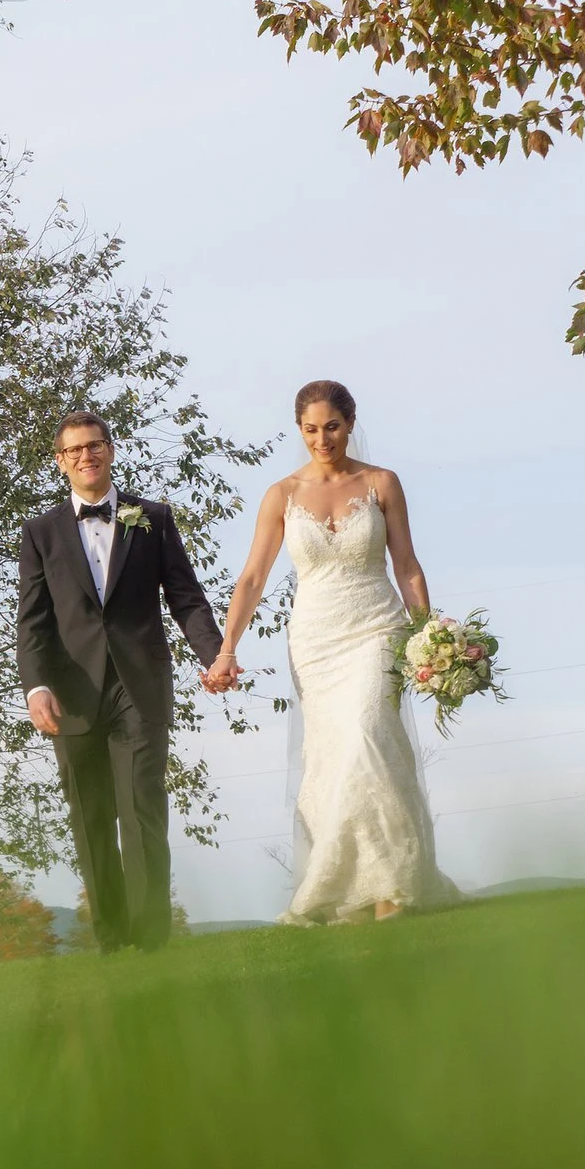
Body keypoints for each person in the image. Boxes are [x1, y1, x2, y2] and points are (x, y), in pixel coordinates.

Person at [205, 379, 459, 924]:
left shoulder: (381, 483)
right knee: (333, 757)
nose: (323, 439)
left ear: (350, 422)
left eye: (333, 427)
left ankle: (394, 886)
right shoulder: (281, 495)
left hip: (376, 627)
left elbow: (407, 565)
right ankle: (351, 887)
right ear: (299, 430)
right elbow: (252, 577)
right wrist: (227, 648)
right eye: (312, 429)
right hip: (315, 641)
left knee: (369, 736)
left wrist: (430, 641)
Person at [16, 410, 228, 952]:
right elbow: (33, 619)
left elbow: (185, 595)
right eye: (75, 450)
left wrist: (214, 653)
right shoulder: (40, 533)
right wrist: (36, 687)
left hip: (140, 688)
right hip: (71, 697)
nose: (87, 456)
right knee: (90, 822)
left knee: (141, 813)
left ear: (110, 450)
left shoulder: (151, 518)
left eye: (96, 445)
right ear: (61, 461)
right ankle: (112, 943)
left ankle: (151, 941)